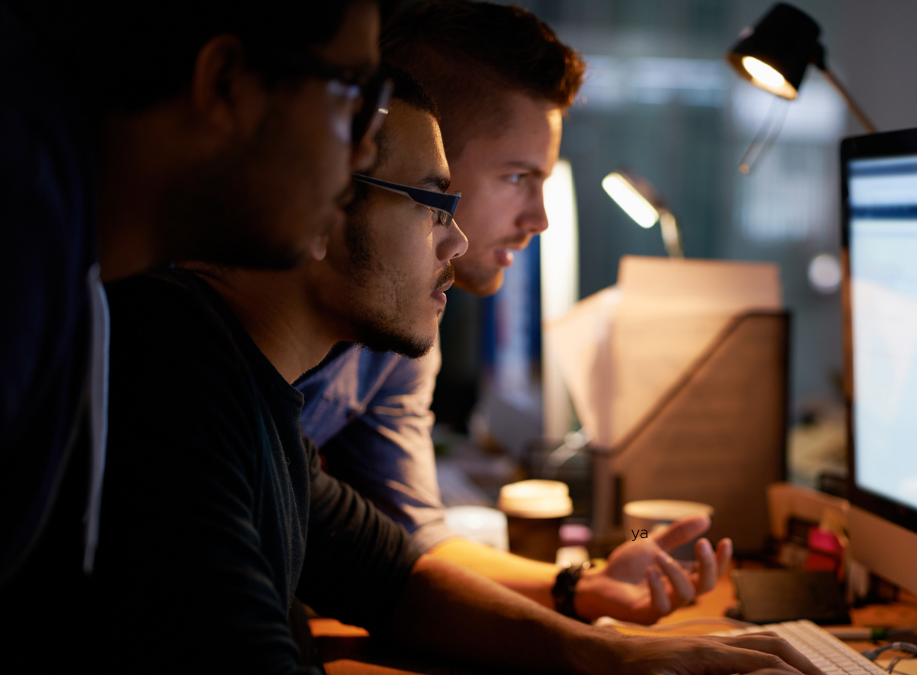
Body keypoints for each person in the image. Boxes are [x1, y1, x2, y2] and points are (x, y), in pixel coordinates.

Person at [44, 70, 820, 674]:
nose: (455, 243)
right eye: (430, 205)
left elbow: (394, 576)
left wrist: (606, 651)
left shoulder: (248, 386)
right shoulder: (172, 378)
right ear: (322, 203)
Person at [295, 0, 729, 626]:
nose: (539, 220)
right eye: (517, 177)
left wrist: (581, 586)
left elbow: (413, 540)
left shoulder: (405, 330)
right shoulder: (211, 334)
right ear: (417, 148)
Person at [0, 0, 389, 586]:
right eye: (354, 95)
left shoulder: (69, 242)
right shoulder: (21, 216)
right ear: (225, 81)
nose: (362, 152)